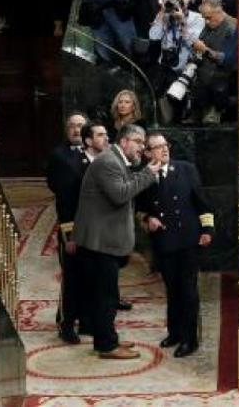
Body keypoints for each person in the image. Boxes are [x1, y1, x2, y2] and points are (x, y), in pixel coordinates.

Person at [74, 124, 161, 360]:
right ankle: (107, 346)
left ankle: (107, 338)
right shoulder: (108, 162)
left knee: (107, 295)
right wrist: (148, 174)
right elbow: (120, 194)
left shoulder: (115, 160)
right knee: (105, 297)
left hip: (105, 241)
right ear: (124, 142)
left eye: (143, 144)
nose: (142, 148)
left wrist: (142, 173)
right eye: (138, 142)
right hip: (99, 243)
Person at [134, 132, 213, 359]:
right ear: (148, 153)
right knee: (172, 289)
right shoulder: (145, 176)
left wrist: (208, 230)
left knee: (188, 291)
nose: (164, 149)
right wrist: (148, 219)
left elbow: (202, 203)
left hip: (188, 239)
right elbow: (139, 208)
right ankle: (175, 332)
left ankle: (190, 339)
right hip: (164, 241)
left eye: (165, 145)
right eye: (157, 147)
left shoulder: (186, 169)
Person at [46, 112, 92, 344]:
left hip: (93, 226)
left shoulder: (93, 153)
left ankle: (85, 320)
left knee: (88, 275)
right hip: (71, 225)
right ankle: (66, 324)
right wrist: (69, 232)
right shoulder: (59, 156)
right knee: (72, 278)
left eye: (80, 126)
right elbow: (60, 193)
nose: (76, 130)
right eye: (72, 126)